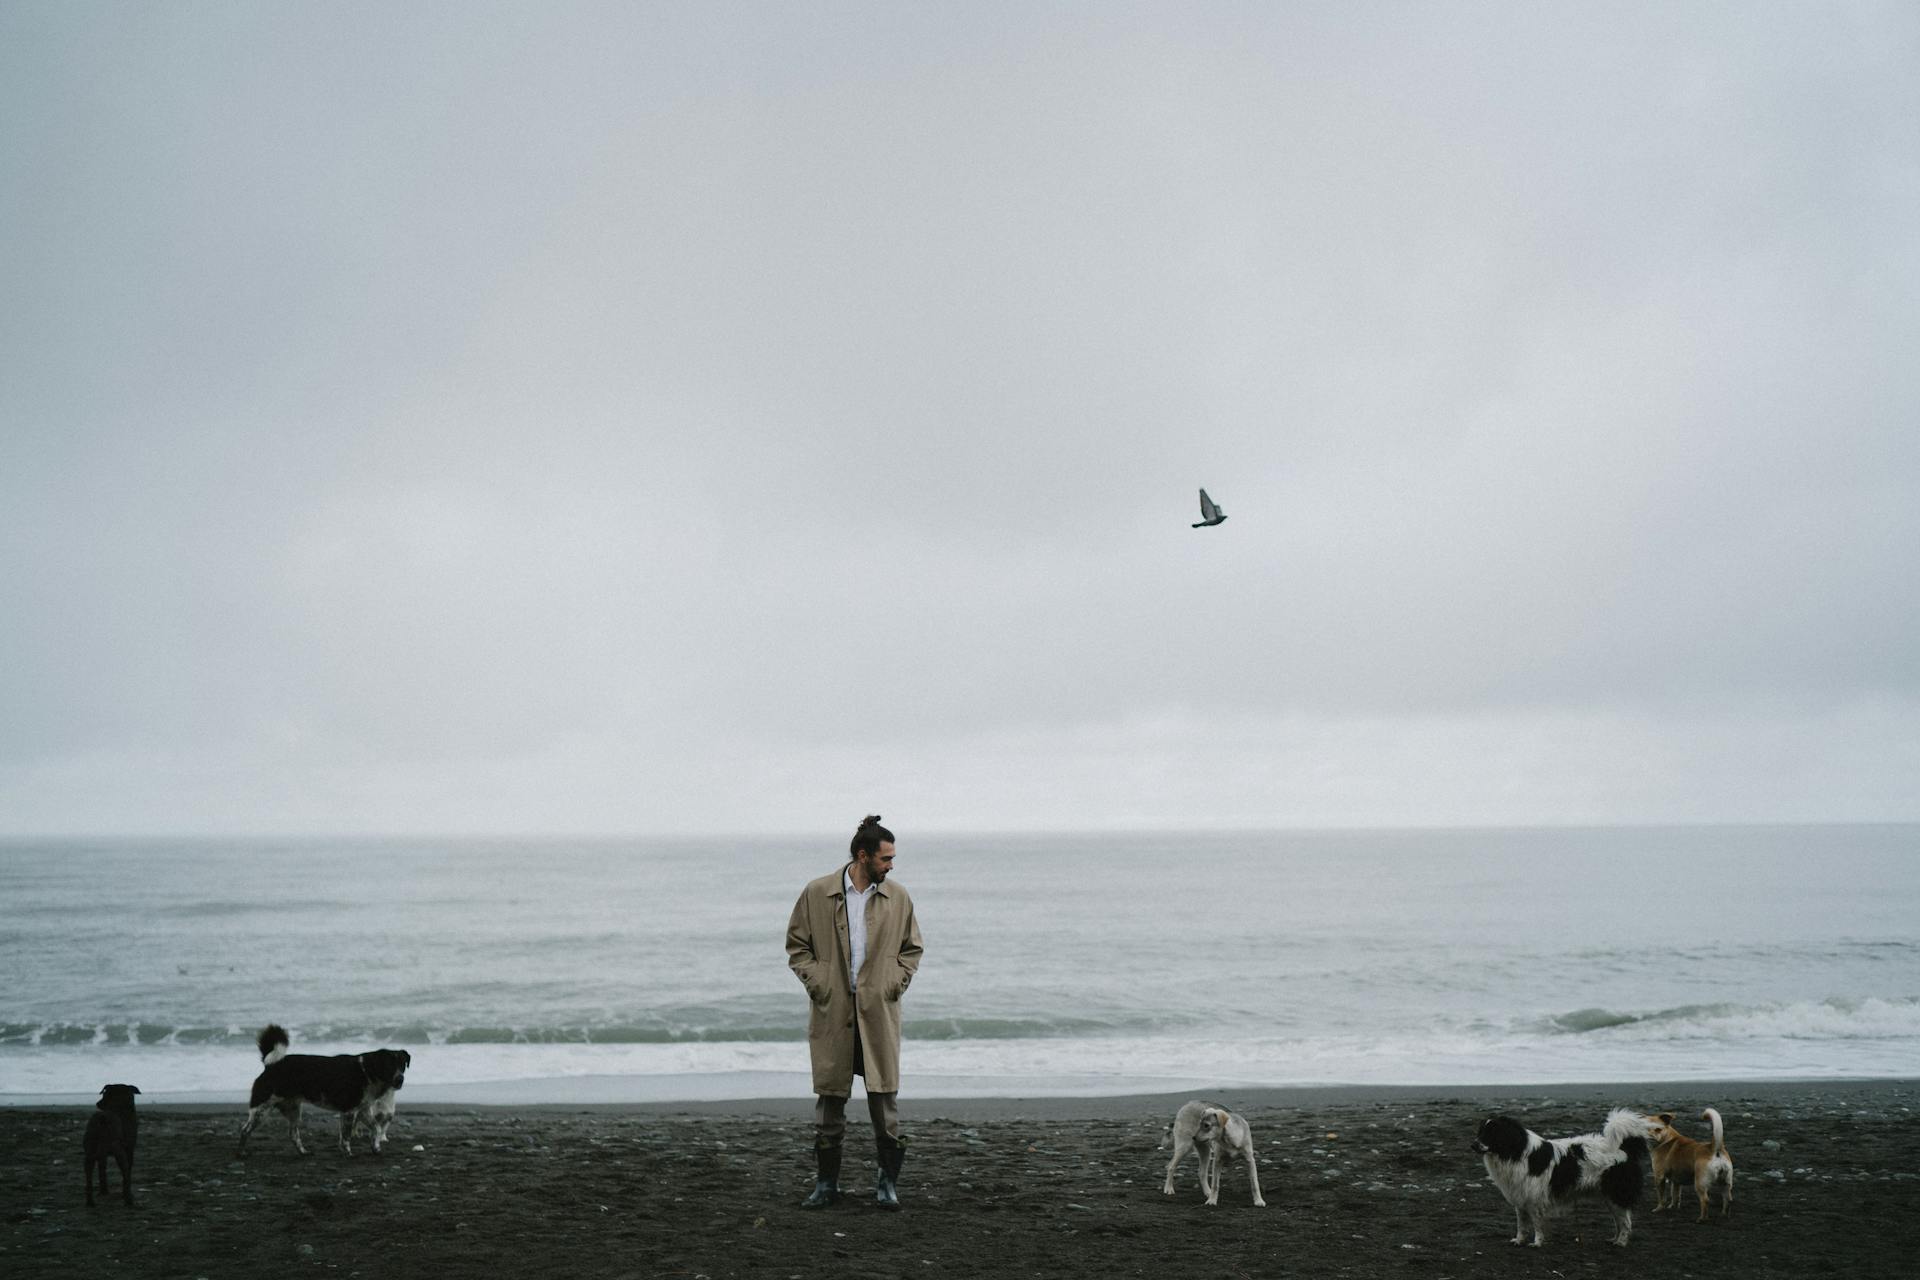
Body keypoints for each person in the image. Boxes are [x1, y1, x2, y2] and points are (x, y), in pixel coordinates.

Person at [785, 814, 925, 1210]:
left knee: (885, 1101)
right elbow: (798, 946)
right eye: (886, 858)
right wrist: (819, 983)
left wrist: (893, 983)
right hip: (833, 1012)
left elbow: (911, 950)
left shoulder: (898, 897)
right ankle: (826, 1184)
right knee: (830, 1100)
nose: (892, 865)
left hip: (879, 1012)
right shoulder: (817, 893)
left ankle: (887, 1184)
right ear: (863, 857)